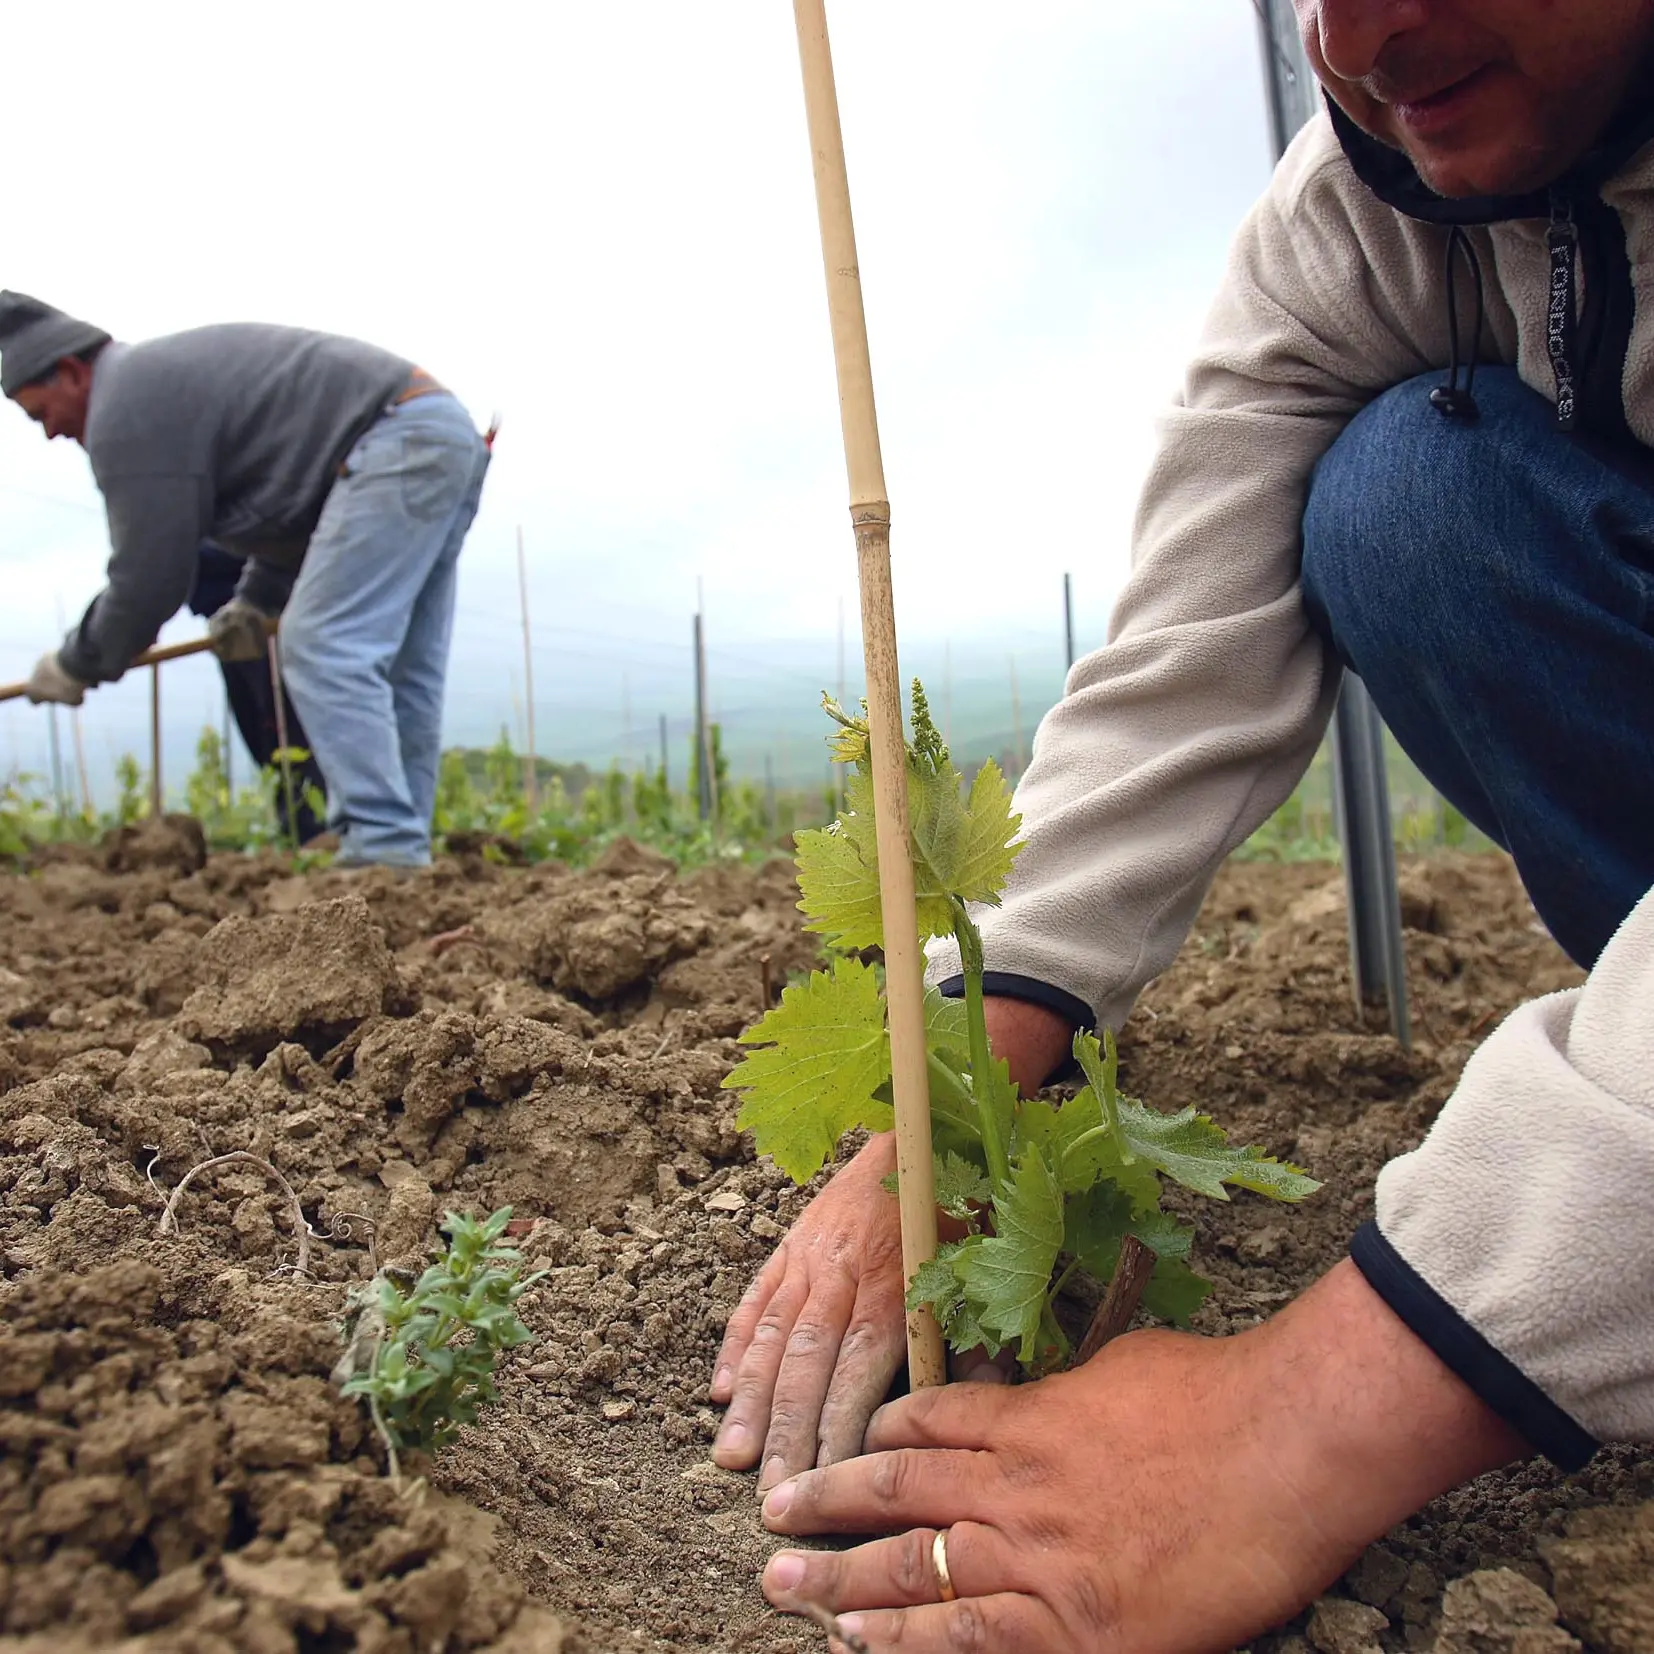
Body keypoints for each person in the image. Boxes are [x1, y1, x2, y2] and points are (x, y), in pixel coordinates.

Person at [710, 4, 1654, 1649]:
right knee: (1398, 499)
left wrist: (1297, 1414)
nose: (1353, 36)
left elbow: (1306, 1417)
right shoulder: (1360, 208)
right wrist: (954, 1078)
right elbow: (1177, 662)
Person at [0, 297, 492, 868]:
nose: (51, 434)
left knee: (322, 643)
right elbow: (297, 506)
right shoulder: (162, 390)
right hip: (434, 432)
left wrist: (76, 663)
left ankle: (382, 847)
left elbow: (149, 579)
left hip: (394, 439)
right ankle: (400, 849)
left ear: (70, 371)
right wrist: (254, 602)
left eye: (41, 414)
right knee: (405, 665)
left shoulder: (124, 409)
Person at [188, 540, 328, 844]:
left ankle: (315, 833)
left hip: (269, 611)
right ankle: (300, 833)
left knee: (290, 732)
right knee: (264, 736)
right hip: (226, 621)